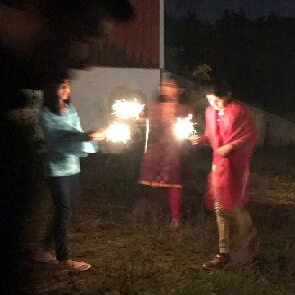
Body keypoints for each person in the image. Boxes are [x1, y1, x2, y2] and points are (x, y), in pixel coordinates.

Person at [36, 80, 105, 271]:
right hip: (56, 168)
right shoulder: (46, 113)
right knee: (64, 210)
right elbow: (58, 136)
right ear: (52, 89)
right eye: (61, 86)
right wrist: (84, 137)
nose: (66, 89)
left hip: (72, 166)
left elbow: (76, 132)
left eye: (67, 85)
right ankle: (63, 258)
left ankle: (42, 248)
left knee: (67, 208)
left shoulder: (70, 108)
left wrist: (92, 136)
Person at [191, 81, 259, 269]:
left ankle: (248, 248)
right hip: (219, 165)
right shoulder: (210, 112)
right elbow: (212, 137)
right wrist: (202, 139)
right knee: (220, 207)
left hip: (235, 166)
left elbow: (249, 135)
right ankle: (223, 253)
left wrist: (232, 146)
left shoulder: (238, 110)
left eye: (218, 100)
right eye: (211, 100)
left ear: (227, 95)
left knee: (235, 206)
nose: (215, 104)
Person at [139, 76, 191, 229]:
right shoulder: (156, 105)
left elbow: (186, 128)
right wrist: (142, 120)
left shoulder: (183, 108)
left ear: (178, 90)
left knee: (173, 180)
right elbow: (149, 123)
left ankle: (175, 218)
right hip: (156, 147)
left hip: (172, 148)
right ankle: (158, 211)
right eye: (164, 85)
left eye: (170, 85)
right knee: (153, 181)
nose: (165, 87)